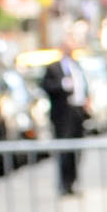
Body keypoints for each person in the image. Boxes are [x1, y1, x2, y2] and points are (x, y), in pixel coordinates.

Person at [40, 35, 89, 197]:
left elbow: (84, 86)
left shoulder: (77, 66)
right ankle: (64, 184)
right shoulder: (53, 68)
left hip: (77, 112)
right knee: (64, 150)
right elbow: (46, 86)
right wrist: (62, 85)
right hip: (63, 114)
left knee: (76, 150)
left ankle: (73, 182)